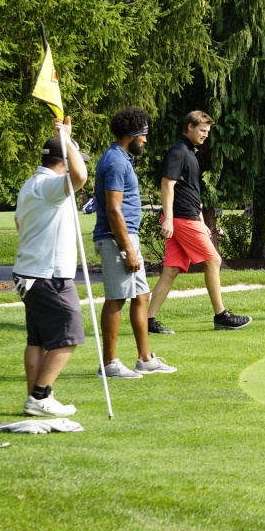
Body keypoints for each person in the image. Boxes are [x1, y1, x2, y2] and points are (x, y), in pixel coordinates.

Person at [147, 110, 252, 331]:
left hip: (187, 216)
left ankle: (148, 321)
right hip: (181, 218)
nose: (206, 135)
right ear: (190, 127)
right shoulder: (178, 151)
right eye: (202, 130)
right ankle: (221, 315)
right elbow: (167, 184)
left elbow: (190, 191)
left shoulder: (190, 153)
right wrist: (169, 219)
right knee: (213, 260)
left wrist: (201, 219)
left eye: (208, 131)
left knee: (171, 270)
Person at [12, 116, 89, 416]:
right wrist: (66, 137)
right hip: (49, 275)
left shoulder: (30, 185)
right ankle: (40, 396)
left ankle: (34, 399)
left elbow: (18, 224)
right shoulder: (49, 186)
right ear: (63, 160)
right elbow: (80, 176)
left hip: (30, 272)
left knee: (38, 339)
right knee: (70, 334)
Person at [93, 107, 177, 378]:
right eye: (144, 134)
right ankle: (109, 364)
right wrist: (128, 249)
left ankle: (145, 359)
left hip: (128, 237)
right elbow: (113, 209)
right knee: (117, 298)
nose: (146, 140)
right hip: (116, 239)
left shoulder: (121, 158)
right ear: (132, 134)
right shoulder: (116, 162)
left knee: (141, 296)